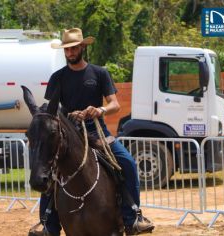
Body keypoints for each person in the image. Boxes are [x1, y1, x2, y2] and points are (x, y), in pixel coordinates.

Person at [30, 28, 154, 236]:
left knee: (128, 164)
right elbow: (50, 110)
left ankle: (133, 217)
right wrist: (68, 115)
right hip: (68, 134)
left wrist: (99, 110)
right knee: (50, 170)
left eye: (74, 48)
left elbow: (115, 104)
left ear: (82, 47)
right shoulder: (57, 77)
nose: (70, 53)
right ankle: (48, 225)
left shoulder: (99, 73)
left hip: (97, 132)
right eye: (67, 49)